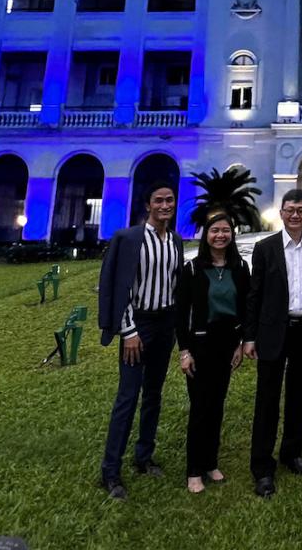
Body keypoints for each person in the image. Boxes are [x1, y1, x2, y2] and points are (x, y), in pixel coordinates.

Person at [96, 182, 185, 500]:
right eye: (158, 200)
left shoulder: (174, 240)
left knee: (154, 394)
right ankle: (110, 470)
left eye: (170, 200)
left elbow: (175, 284)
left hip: (165, 325)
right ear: (148, 205)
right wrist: (128, 331)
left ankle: (143, 456)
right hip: (137, 326)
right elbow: (116, 286)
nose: (165, 205)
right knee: (127, 396)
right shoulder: (129, 238)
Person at [243, 188, 302, 497]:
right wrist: (248, 336)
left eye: (300, 210)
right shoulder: (265, 248)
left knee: (299, 396)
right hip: (271, 332)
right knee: (267, 400)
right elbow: (254, 294)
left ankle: (291, 454)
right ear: (282, 213)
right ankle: (262, 466)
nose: (295, 214)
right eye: (289, 209)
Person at [177, 213, 250, 493]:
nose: (220, 235)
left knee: (217, 405)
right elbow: (181, 314)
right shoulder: (193, 269)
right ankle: (193, 470)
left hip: (226, 344)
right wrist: (184, 351)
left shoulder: (239, 267)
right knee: (200, 407)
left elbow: (244, 306)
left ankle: (210, 462)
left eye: (226, 231)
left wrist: (240, 342)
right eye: (215, 230)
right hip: (199, 345)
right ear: (206, 235)